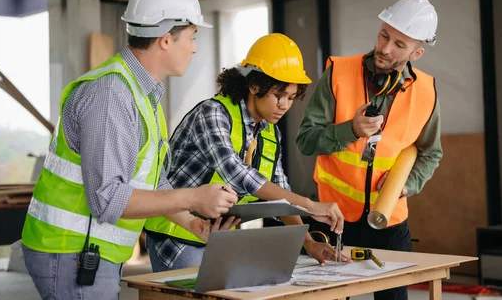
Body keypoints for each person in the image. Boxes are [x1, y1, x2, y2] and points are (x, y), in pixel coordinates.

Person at [20, 0, 239, 300]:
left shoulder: (142, 94)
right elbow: (108, 199)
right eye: (192, 37)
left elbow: (152, 186)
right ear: (166, 39)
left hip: (88, 251)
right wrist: (194, 198)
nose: (195, 47)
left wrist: (191, 224)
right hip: (70, 251)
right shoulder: (112, 95)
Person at [144, 33, 349, 271]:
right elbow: (236, 173)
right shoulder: (213, 113)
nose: (284, 106)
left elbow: (281, 194)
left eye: (291, 98)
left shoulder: (271, 133)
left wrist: (309, 243)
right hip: (176, 235)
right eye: (278, 95)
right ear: (254, 85)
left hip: (217, 237)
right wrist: (309, 205)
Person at [296, 0, 443, 300]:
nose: (385, 48)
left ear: (417, 52)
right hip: (333, 219)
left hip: (388, 221)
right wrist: (349, 130)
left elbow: (430, 153)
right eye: (384, 35)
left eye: (400, 45)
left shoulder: (426, 92)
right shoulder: (338, 73)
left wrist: (407, 184)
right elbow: (306, 140)